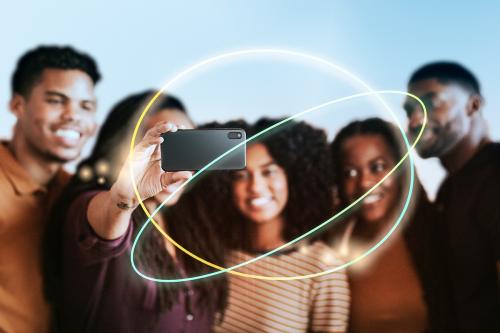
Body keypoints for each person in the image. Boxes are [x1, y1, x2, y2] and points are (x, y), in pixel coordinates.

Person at [43, 91, 228, 332]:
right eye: (162, 142)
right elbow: (107, 219)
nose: (175, 159)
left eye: (185, 145)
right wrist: (125, 197)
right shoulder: (90, 205)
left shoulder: (189, 223)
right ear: (125, 147)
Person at [194, 118, 350, 333]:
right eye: (241, 175)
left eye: (269, 172)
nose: (255, 187)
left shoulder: (322, 268)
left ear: (293, 177)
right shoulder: (216, 253)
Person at [0, 45, 100, 333]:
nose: (73, 116)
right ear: (18, 106)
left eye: (86, 106)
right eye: (57, 101)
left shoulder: (79, 196)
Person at [329, 117, 453, 333]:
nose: (365, 182)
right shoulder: (329, 247)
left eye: (377, 167)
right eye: (350, 172)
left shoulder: (440, 233)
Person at [404, 61, 500, 332]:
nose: (415, 120)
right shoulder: (451, 188)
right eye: (410, 110)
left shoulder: (494, 177)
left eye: (430, 103)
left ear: (473, 106)